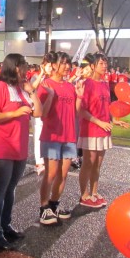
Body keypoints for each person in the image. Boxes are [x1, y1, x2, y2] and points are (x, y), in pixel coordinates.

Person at [0, 53, 42, 250]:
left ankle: (5, 225)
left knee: (11, 188)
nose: (26, 68)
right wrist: (14, 113)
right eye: (23, 65)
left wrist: (32, 92)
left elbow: (38, 112)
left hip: (19, 146)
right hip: (2, 145)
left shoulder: (21, 88)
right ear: (14, 67)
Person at [75, 52, 129, 209]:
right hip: (91, 129)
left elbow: (107, 106)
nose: (104, 66)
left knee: (98, 163)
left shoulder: (105, 84)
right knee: (88, 162)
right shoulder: (86, 84)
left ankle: (94, 192)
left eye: (105, 63)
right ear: (92, 66)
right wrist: (99, 122)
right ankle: (84, 194)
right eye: (101, 63)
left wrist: (114, 119)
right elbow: (81, 111)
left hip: (104, 128)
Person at [37, 51, 77, 224]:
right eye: (63, 63)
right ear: (53, 65)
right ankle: (44, 207)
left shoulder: (70, 86)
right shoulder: (46, 85)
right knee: (51, 173)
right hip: (52, 136)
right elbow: (42, 114)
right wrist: (51, 95)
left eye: (68, 63)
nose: (67, 66)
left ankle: (54, 204)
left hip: (69, 136)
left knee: (63, 173)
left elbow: (76, 111)